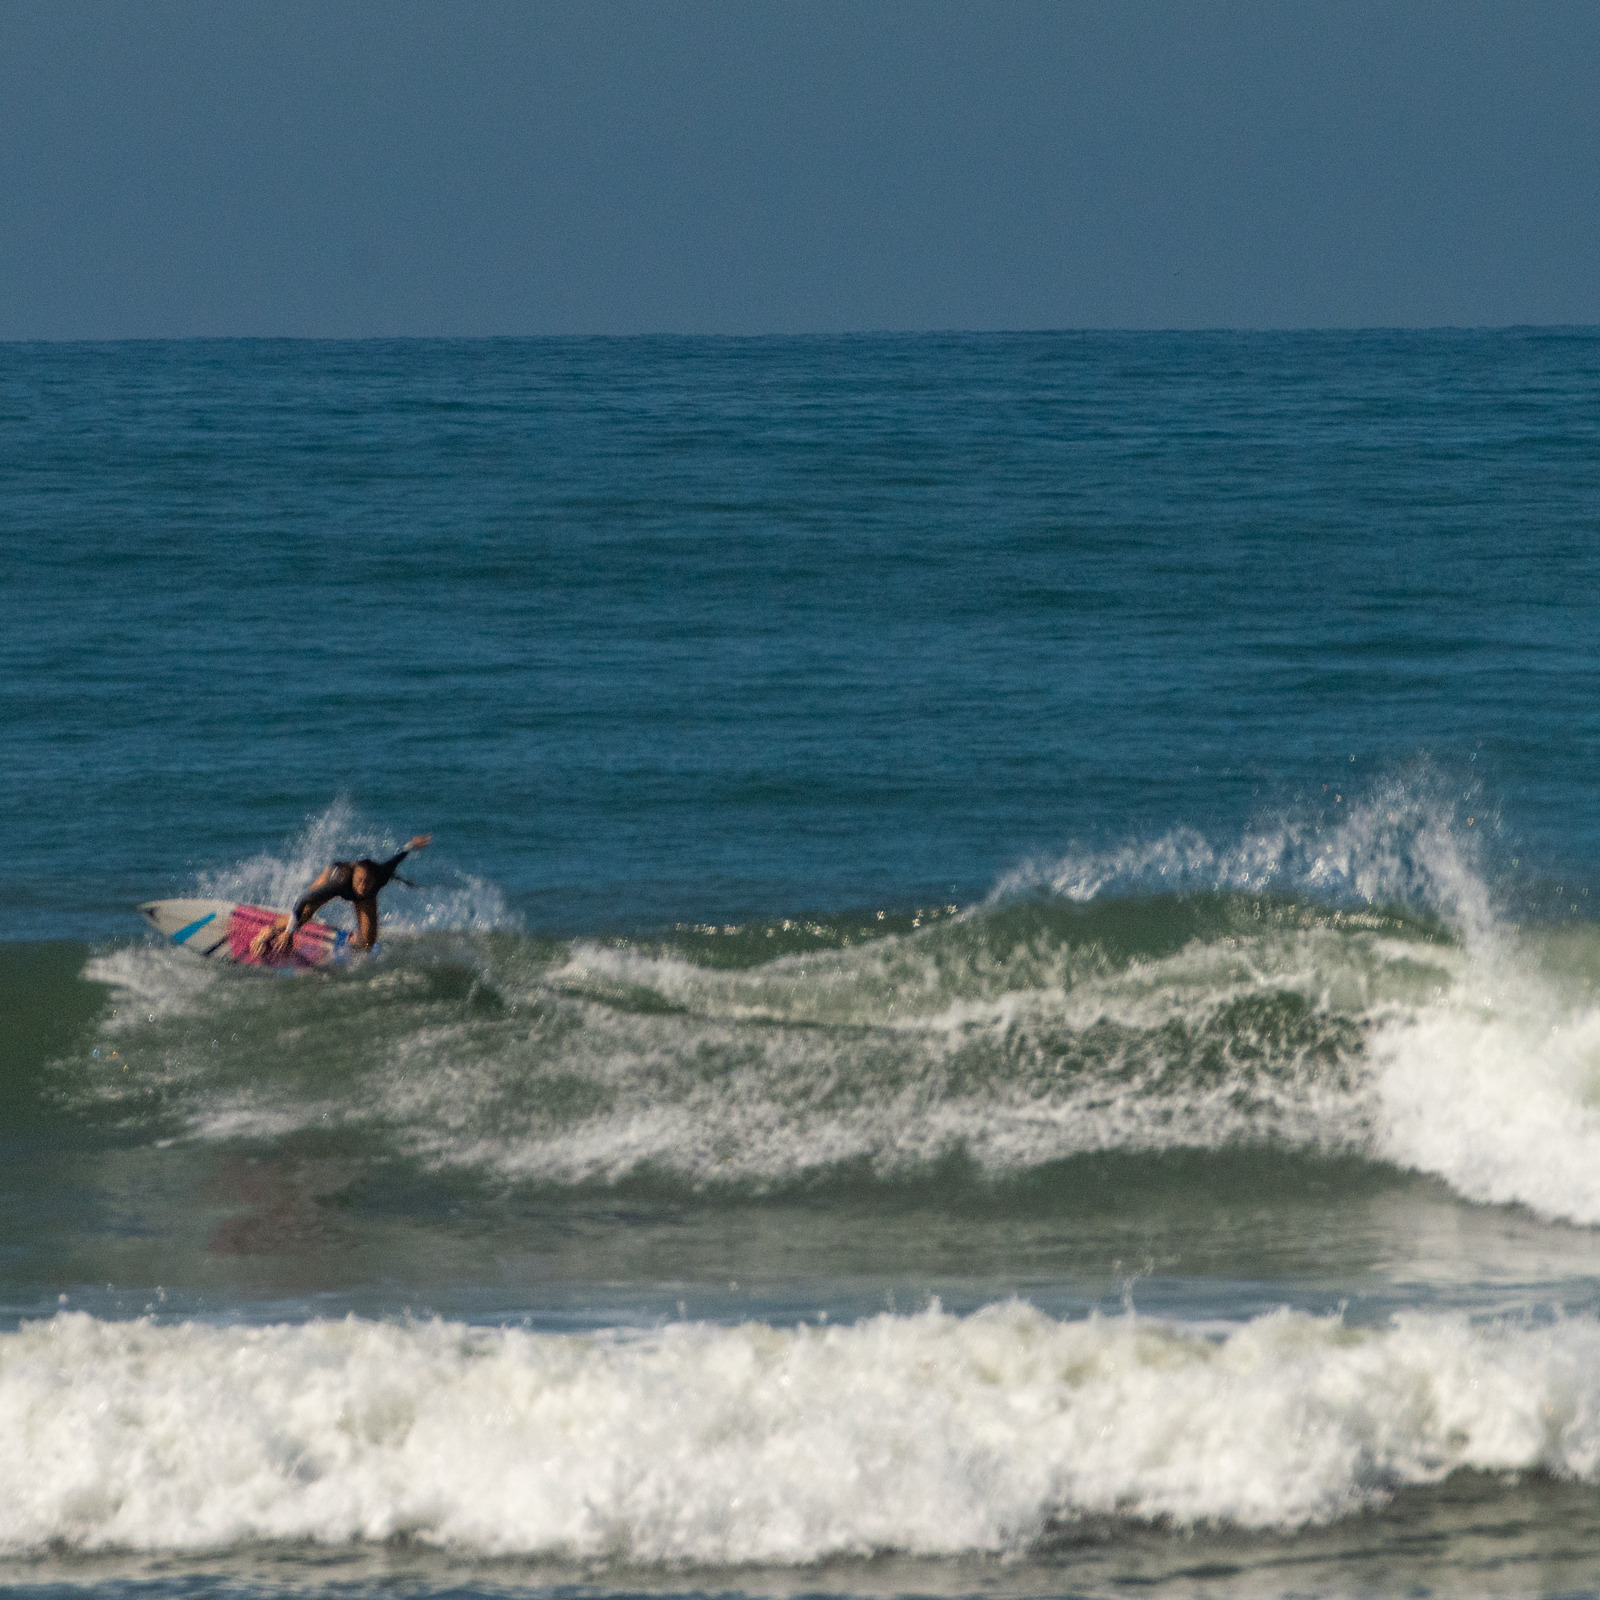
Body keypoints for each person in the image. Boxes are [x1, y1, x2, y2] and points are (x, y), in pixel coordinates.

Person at [254, 835, 431, 960]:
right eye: (360, 881)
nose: (363, 886)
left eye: (367, 882)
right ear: (354, 877)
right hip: (332, 874)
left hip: (364, 896)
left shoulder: (379, 876)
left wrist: (411, 844)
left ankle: (351, 940)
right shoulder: (339, 883)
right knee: (305, 913)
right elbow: (303, 900)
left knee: (368, 944)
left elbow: (397, 858)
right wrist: (289, 933)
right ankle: (268, 932)